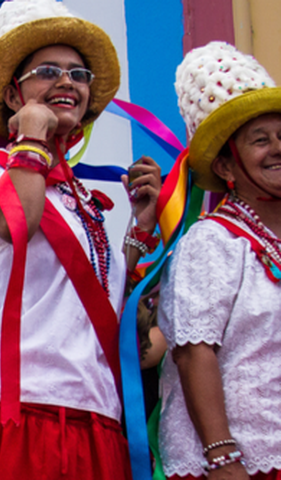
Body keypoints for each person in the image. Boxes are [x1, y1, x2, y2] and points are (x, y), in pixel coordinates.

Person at [0, 0, 161, 478]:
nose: (67, 82)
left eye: (78, 73)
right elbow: (15, 224)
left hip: (99, 417)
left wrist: (142, 231)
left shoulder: (84, 199)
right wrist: (30, 139)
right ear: (13, 94)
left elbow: (110, 321)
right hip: (25, 411)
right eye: (47, 71)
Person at [158, 41, 281, 480]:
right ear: (227, 167)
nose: (277, 149)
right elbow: (195, 354)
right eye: (261, 141)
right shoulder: (211, 242)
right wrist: (223, 457)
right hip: (239, 463)